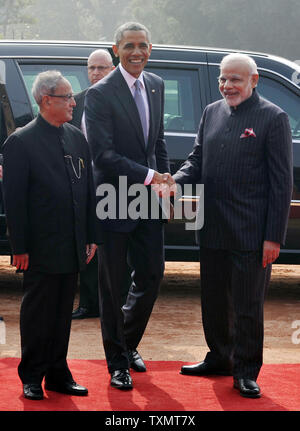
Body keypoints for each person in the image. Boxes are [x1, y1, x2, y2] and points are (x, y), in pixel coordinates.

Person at [173, 53, 293, 398]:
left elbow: (281, 184)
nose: (227, 86)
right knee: (213, 301)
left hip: (251, 233)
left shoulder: (273, 117)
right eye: (223, 79)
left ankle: (245, 370)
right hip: (211, 227)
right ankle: (219, 358)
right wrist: (175, 181)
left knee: (247, 306)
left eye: (235, 79)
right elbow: (197, 159)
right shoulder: (212, 112)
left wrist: (273, 237)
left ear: (254, 80)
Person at [84, 22, 174, 390]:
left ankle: (127, 341)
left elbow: (158, 142)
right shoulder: (100, 93)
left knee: (152, 274)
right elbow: (103, 156)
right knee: (112, 285)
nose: (136, 52)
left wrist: (166, 181)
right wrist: (151, 177)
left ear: (150, 49)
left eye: (143, 46)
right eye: (129, 46)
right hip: (112, 198)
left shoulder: (156, 84)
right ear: (116, 49)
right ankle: (116, 362)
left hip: (148, 199)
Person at [2, 70, 98, 401]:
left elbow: (88, 189)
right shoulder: (20, 142)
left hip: (72, 241)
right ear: (46, 100)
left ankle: (58, 373)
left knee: (61, 313)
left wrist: (91, 235)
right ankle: (31, 375)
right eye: (67, 97)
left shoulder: (77, 137)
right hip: (40, 246)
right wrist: (21, 247)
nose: (73, 103)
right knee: (37, 313)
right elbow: (14, 202)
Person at [71, 49, 114, 320]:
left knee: (115, 245)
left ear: (112, 69)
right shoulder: (76, 102)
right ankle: (88, 304)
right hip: (83, 181)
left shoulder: (122, 100)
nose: (96, 73)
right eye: (91, 68)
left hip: (116, 182)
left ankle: (113, 304)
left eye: (101, 68)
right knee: (86, 240)